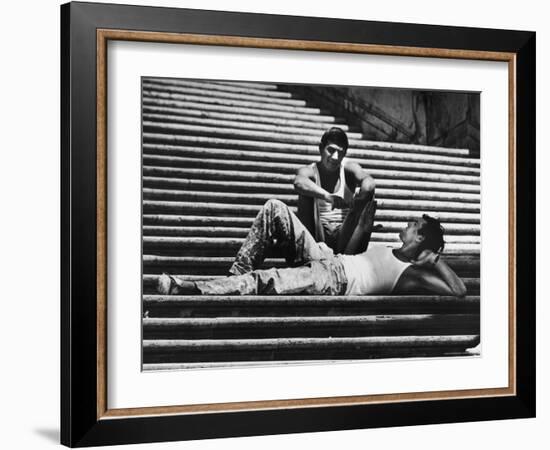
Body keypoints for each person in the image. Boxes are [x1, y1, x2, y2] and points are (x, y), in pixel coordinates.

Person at [158, 199, 467, 298]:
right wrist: (360, 219)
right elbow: (349, 251)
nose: (408, 223)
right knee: (275, 209)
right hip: (329, 258)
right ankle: (232, 277)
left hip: (333, 281)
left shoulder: (411, 274)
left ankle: (193, 290)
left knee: (266, 279)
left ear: (421, 239)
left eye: (413, 224)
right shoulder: (388, 247)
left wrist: (436, 259)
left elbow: (458, 290)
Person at [294, 127, 376, 253]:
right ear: (321, 149)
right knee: (305, 193)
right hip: (317, 236)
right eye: (331, 150)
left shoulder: (348, 169)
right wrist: (328, 196)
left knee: (368, 195)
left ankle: (350, 258)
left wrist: (361, 197)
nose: (335, 157)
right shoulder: (310, 170)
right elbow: (299, 182)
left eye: (340, 152)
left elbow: (369, 182)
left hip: (345, 236)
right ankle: (307, 255)